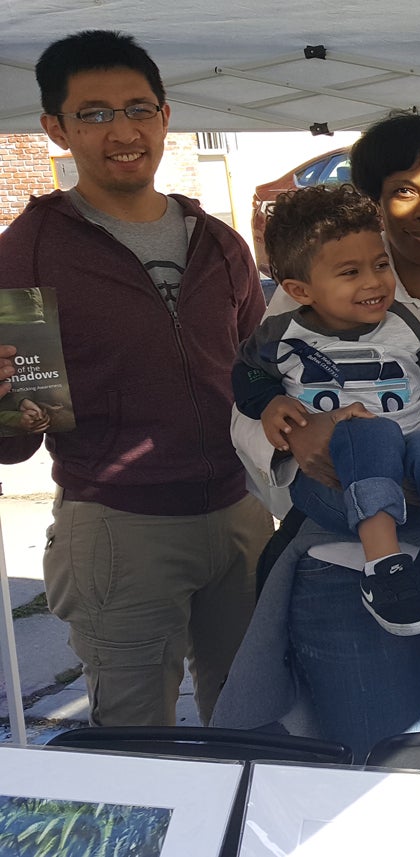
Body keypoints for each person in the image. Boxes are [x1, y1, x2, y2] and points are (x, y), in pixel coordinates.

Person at [213, 114, 420, 758]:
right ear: (376, 198)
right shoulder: (304, 300)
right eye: (405, 189)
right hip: (345, 559)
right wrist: (296, 440)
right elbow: (248, 404)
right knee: (371, 755)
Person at [0, 30, 272, 727]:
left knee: (252, 722)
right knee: (136, 742)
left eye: (138, 108)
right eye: (93, 114)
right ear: (56, 129)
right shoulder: (27, 252)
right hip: (120, 527)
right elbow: (17, 436)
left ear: (165, 116)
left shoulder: (220, 242)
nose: (122, 131)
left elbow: (260, 378)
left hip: (238, 512)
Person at [234, 184, 420, 648]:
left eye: (380, 265)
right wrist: (268, 403)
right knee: (371, 431)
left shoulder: (401, 325)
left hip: (411, 474)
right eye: (350, 272)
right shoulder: (280, 333)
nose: (374, 282)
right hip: (334, 483)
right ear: (299, 290)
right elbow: (245, 374)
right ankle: (384, 568)